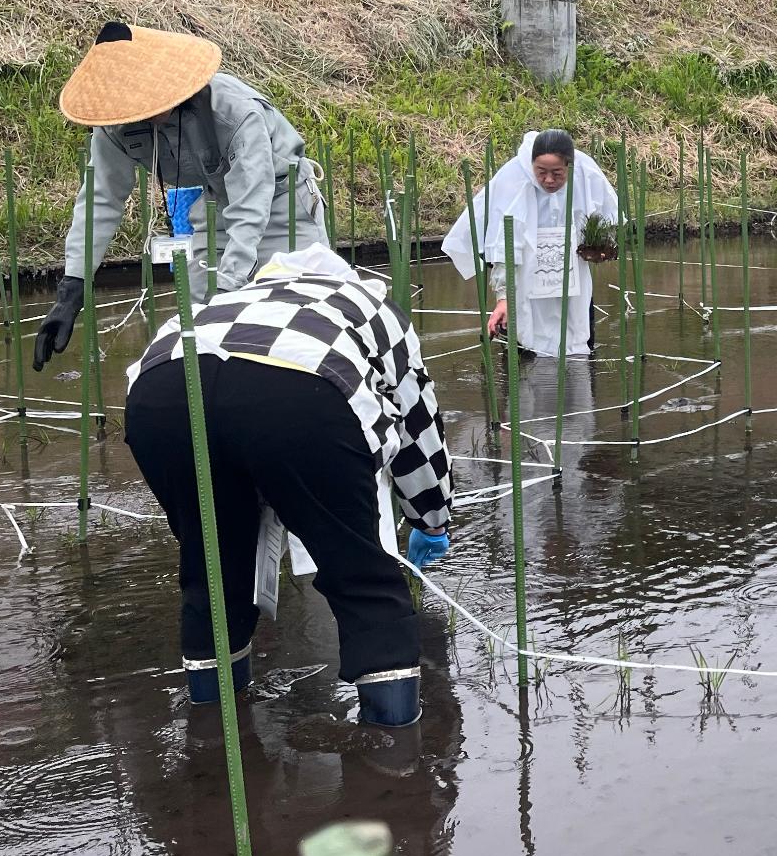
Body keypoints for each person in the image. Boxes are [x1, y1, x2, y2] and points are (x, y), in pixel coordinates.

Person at [123, 245, 454, 727]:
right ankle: (393, 754)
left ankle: (212, 731)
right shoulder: (372, 302)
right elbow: (417, 426)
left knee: (214, 570)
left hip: (162, 394)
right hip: (298, 391)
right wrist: (432, 516)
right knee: (361, 575)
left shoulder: (229, 300)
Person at [33, 21, 324, 371]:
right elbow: (101, 199)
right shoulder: (115, 124)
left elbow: (251, 205)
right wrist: (73, 287)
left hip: (281, 201)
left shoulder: (233, 111)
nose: (139, 112)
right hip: (214, 202)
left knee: (301, 311)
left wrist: (231, 291)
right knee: (200, 319)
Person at [441, 129, 619, 358]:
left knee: (576, 349)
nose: (548, 180)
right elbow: (502, 246)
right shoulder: (513, 181)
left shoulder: (586, 176)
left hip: (573, 284)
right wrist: (504, 299)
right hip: (525, 284)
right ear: (531, 164)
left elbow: (606, 226)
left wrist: (599, 249)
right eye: (541, 172)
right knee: (526, 353)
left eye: (557, 173)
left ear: (570, 166)